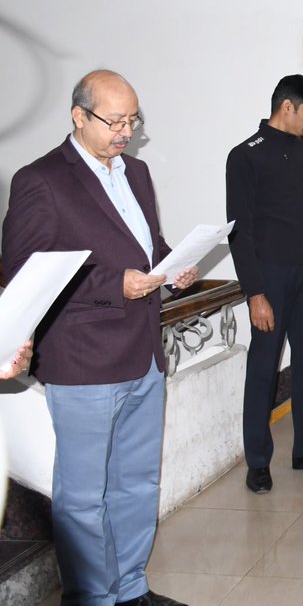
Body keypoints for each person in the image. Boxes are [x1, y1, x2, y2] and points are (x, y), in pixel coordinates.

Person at [2, 69, 198, 606]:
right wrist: (116, 284)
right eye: (114, 121)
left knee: (137, 485)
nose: (126, 132)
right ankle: (91, 597)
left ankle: (130, 588)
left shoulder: (134, 172)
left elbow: (146, 244)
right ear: (78, 115)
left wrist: (170, 265)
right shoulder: (40, 179)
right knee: (84, 498)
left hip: (142, 356)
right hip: (83, 359)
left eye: (132, 121)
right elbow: (25, 272)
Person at [226, 74, 303, 495]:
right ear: (287, 107)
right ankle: (258, 462)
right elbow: (239, 231)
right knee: (263, 369)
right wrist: (255, 294)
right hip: (271, 279)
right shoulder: (246, 156)